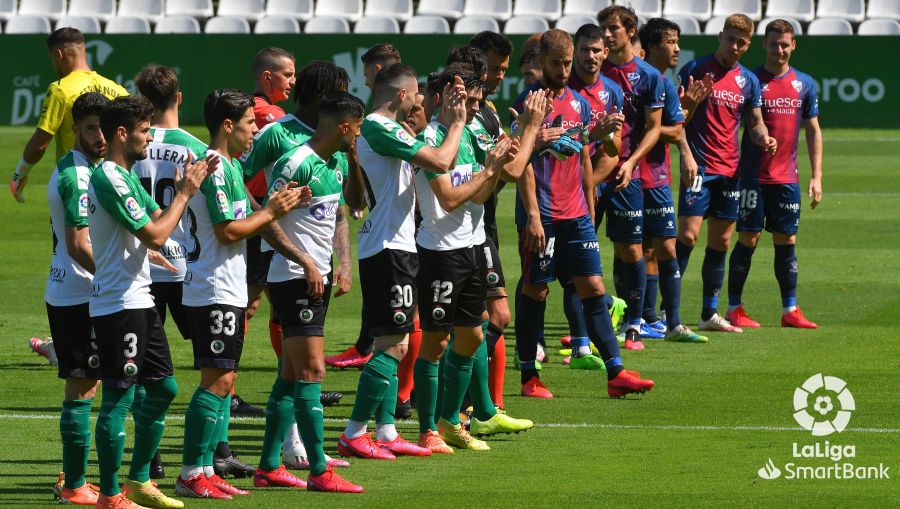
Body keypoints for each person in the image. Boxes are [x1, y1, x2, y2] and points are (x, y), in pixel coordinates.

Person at [174, 89, 308, 499]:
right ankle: (191, 471)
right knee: (215, 380)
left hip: (225, 285)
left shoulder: (228, 166)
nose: (257, 130)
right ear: (228, 126)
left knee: (225, 378)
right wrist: (271, 211)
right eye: (251, 123)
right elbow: (227, 231)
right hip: (213, 287)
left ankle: (203, 469)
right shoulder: (215, 168)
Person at [513, 29, 655, 400]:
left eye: (566, 63)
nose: (563, 70)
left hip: (575, 213)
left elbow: (583, 158)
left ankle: (616, 372)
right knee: (536, 289)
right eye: (556, 63)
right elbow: (522, 164)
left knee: (594, 287)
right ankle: (530, 376)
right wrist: (531, 215)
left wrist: (590, 205)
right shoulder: (530, 103)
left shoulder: (580, 102)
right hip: (541, 215)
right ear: (541, 61)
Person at [88, 95, 213, 509]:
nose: (148, 137)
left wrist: (177, 201)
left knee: (163, 388)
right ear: (122, 133)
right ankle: (109, 494)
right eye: (143, 130)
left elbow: (154, 220)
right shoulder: (109, 176)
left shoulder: (124, 175)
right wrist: (186, 192)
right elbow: (157, 233)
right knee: (118, 397)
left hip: (139, 299)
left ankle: (140, 480)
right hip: (118, 305)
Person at [338, 63, 468, 457]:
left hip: (395, 245)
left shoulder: (382, 130)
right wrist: (457, 123)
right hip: (388, 249)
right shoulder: (379, 126)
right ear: (400, 95)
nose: (419, 101)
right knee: (393, 345)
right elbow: (442, 161)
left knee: (393, 342)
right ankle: (354, 432)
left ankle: (387, 430)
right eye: (415, 94)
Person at [241, 60, 350, 471]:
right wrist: (262, 219)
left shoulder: (332, 142)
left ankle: (286, 449)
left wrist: (343, 260)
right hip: (278, 253)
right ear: (325, 97)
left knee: (293, 354)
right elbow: (238, 176)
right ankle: (298, 448)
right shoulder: (277, 134)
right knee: (293, 346)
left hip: (314, 256)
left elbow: (338, 206)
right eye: (339, 92)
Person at [264, 91, 368, 493]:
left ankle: (269, 465)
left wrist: (355, 160)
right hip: (293, 278)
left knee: (290, 378)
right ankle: (320, 470)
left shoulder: (339, 161)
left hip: (314, 279)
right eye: (357, 129)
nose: (358, 135)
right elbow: (266, 220)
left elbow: (354, 208)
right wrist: (306, 261)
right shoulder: (296, 163)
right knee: (312, 372)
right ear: (344, 127)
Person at [132, 64, 225, 481]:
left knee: (140, 369)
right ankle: (216, 452)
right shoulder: (196, 147)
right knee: (219, 361)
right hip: (190, 265)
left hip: (143, 268)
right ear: (179, 98)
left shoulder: (131, 146)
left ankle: (149, 458)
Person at [676, 14, 776, 333]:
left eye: (741, 42)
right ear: (720, 36)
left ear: (747, 46)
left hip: (730, 170)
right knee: (688, 236)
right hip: (699, 167)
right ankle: (667, 313)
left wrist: (762, 136)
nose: (734, 46)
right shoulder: (694, 70)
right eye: (730, 39)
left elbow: (755, 120)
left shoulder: (748, 80)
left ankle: (708, 313)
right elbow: (677, 118)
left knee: (720, 242)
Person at [726, 19, 821, 329]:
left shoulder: (804, 83)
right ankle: (734, 308)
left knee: (786, 238)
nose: (779, 49)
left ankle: (790, 310)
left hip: (787, 178)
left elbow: (813, 130)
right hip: (753, 175)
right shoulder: (751, 80)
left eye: (785, 44)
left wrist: (816, 175)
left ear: (793, 46)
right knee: (748, 238)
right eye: (774, 44)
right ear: (764, 45)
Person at [46, 92, 109, 506]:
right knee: (83, 388)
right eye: (90, 129)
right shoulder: (76, 176)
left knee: (88, 383)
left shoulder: (89, 167)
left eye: (105, 128)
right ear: (75, 129)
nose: (100, 136)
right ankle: (74, 484)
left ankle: (73, 474)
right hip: (80, 291)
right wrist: (113, 278)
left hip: (79, 290)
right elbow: (77, 244)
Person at [636, 19, 709, 343]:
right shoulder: (637, 79)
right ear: (652, 46)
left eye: (678, 42)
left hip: (658, 174)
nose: (677, 48)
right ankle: (644, 317)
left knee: (663, 245)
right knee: (637, 248)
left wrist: (686, 110)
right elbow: (647, 129)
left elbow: (674, 127)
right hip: (635, 173)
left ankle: (669, 320)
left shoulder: (663, 82)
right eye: (670, 41)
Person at [560, 23, 628, 366]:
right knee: (557, 277)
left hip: (596, 184)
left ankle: (583, 343)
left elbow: (615, 148)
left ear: (606, 53)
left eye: (596, 50)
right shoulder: (563, 87)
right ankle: (559, 344)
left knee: (587, 271)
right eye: (584, 50)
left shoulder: (612, 92)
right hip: (562, 191)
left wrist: (593, 182)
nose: (590, 57)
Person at [597, 5, 665, 351]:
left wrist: (632, 161)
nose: (606, 35)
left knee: (631, 249)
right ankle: (585, 328)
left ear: (631, 30)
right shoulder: (595, 70)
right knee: (580, 251)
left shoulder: (649, 75)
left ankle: (635, 323)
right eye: (602, 29)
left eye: (612, 29)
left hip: (627, 174)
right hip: (591, 174)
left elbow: (654, 129)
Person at [10, 27, 128, 203]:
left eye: (52, 59)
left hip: (77, 182)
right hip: (115, 184)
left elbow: (40, 145)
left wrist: (19, 176)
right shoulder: (118, 90)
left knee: (75, 230)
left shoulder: (60, 89)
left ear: (59, 54)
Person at [244, 48, 297, 403]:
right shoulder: (269, 115)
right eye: (287, 75)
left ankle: (294, 375)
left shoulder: (251, 110)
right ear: (268, 77)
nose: (292, 82)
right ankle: (228, 385)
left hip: (260, 214)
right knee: (250, 302)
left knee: (278, 302)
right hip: (258, 217)